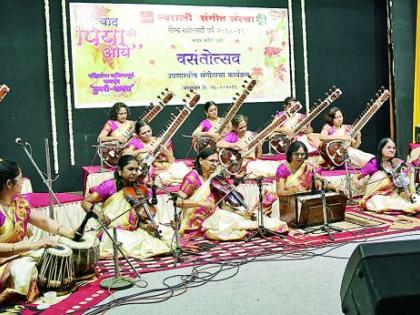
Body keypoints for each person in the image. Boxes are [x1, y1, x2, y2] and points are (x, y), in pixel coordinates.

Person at [0, 160, 75, 304]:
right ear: (9, 184)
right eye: (19, 178)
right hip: (3, 262)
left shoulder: (20, 204)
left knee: (56, 251)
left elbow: (44, 221)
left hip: (19, 255)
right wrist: (32, 245)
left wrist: (69, 233)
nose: (22, 181)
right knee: (24, 269)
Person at [177, 147, 288, 240]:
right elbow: (177, 202)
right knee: (226, 226)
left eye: (216, 161)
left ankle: (265, 227)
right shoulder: (192, 177)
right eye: (211, 161)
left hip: (214, 213)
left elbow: (220, 204)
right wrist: (201, 204)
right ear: (200, 161)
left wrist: (239, 212)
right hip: (195, 219)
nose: (215, 164)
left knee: (239, 220)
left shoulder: (215, 178)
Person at [81, 155, 171, 260]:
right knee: (124, 240)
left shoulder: (140, 190)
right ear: (119, 170)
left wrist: (148, 227)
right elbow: (86, 202)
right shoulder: (110, 186)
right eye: (130, 169)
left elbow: (141, 220)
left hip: (134, 230)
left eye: (136, 169)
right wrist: (100, 215)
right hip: (114, 230)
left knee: (167, 233)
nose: (134, 172)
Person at [355, 138, 420, 213]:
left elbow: (408, 171)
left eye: (394, 148)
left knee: (416, 198)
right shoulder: (374, 163)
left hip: (395, 195)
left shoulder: (398, 163)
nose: (392, 150)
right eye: (388, 147)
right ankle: (406, 208)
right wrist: (359, 180)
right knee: (378, 200)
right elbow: (356, 177)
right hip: (376, 195)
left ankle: (408, 207)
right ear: (381, 149)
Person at [123, 120, 190, 185]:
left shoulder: (159, 141)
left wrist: (166, 152)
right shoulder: (136, 142)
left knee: (185, 174)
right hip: (148, 172)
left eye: (149, 131)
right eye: (143, 133)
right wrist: (141, 150)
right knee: (163, 178)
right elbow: (125, 155)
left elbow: (171, 161)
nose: (147, 134)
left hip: (166, 167)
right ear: (138, 134)